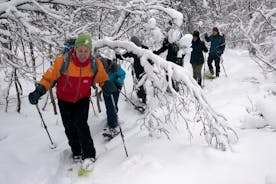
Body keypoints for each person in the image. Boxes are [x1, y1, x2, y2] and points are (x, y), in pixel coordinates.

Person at [28, 34, 117, 169]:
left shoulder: (94, 63)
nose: (83, 54)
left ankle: (89, 155)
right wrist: (39, 90)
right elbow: (48, 78)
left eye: (86, 51)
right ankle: (76, 151)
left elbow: (102, 78)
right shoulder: (62, 61)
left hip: (82, 99)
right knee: (69, 126)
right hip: (64, 99)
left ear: (90, 51)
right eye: (80, 50)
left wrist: (106, 84)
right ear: (75, 49)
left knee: (81, 125)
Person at [116, 36, 148, 104]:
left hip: (144, 70)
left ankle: (144, 100)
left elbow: (150, 57)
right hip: (135, 70)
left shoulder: (144, 49)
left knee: (141, 84)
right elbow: (124, 55)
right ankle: (140, 97)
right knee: (137, 83)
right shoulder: (132, 50)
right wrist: (118, 55)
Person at [102, 58, 126, 138]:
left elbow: (123, 74)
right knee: (108, 104)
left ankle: (113, 125)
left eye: (104, 66)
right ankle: (111, 119)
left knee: (112, 105)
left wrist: (118, 83)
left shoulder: (115, 67)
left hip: (115, 88)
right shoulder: (99, 68)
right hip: (106, 88)